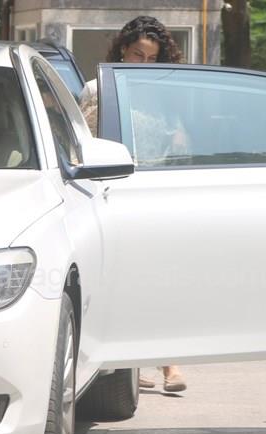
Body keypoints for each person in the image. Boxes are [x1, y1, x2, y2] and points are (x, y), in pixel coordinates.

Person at [78, 15, 187, 393]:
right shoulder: (97, 89)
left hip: (156, 196)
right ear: (123, 50)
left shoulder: (164, 96)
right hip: (111, 195)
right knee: (123, 286)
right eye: (138, 54)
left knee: (161, 282)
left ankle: (170, 364)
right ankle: (129, 365)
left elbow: (179, 143)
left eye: (152, 58)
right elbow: (82, 140)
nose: (143, 63)